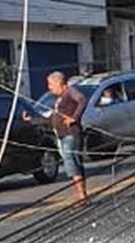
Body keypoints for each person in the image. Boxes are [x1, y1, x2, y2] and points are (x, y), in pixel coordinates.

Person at [23, 71, 88, 203]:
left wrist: (74, 118)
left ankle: (82, 195)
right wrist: (32, 120)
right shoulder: (59, 99)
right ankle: (82, 195)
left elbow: (82, 100)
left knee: (71, 161)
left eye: (50, 84)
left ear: (59, 83)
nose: (49, 88)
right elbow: (51, 119)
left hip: (71, 134)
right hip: (62, 135)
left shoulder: (70, 91)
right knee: (72, 162)